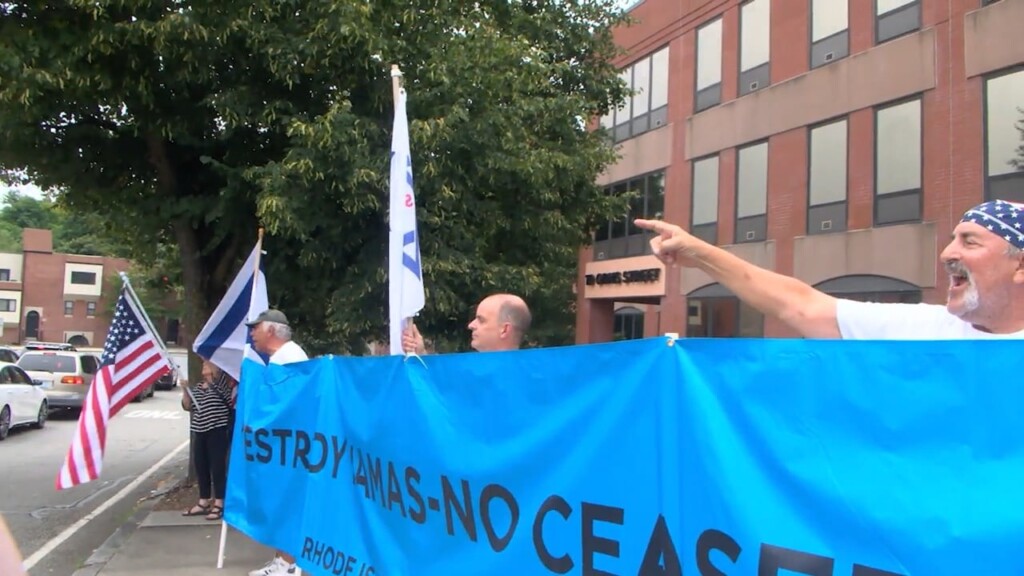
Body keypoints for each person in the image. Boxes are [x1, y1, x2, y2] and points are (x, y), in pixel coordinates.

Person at [634, 199, 1024, 339]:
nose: (946, 254)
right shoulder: (925, 329)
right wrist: (699, 253)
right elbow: (800, 306)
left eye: (969, 241)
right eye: (952, 238)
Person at [245, 309, 309, 576]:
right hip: (287, 447)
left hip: (291, 448)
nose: (251, 333)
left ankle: (288, 564)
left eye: (255, 328)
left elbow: (288, 405)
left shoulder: (290, 358)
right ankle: (283, 561)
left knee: (287, 504)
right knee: (283, 503)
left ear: (271, 330)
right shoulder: (284, 357)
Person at [181, 361, 234, 521]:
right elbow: (188, 406)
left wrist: (212, 382)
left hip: (217, 431)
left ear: (215, 368)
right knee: (201, 467)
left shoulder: (222, 384)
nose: (203, 367)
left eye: (207, 365)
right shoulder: (198, 387)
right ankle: (203, 501)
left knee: (217, 468)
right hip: (200, 431)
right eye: (202, 364)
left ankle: (219, 502)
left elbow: (227, 400)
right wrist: (185, 390)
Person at [402, 293, 532, 354]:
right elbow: (439, 395)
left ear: (504, 330)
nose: (471, 325)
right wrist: (420, 353)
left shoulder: (529, 383)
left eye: (481, 320)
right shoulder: (468, 373)